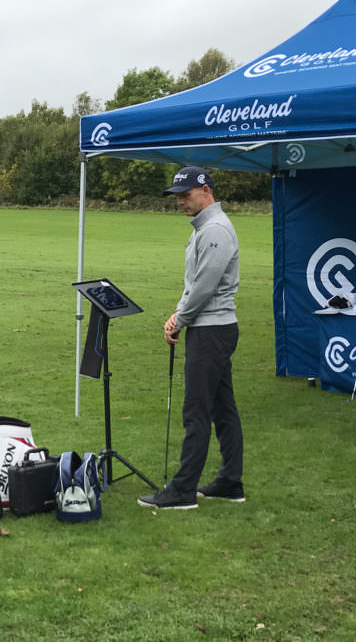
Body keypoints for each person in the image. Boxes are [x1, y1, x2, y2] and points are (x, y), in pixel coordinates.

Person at [138, 166, 244, 510]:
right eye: (178, 197)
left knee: (196, 410)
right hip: (212, 326)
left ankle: (182, 492)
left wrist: (180, 318)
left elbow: (205, 285)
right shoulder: (207, 227)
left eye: (186, 195)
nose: (181, 202)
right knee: (222, 408)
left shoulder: (215, 229)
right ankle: (230, 482)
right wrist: (179, 313)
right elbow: (197, 284)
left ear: (206, 191)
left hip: (211, 330)